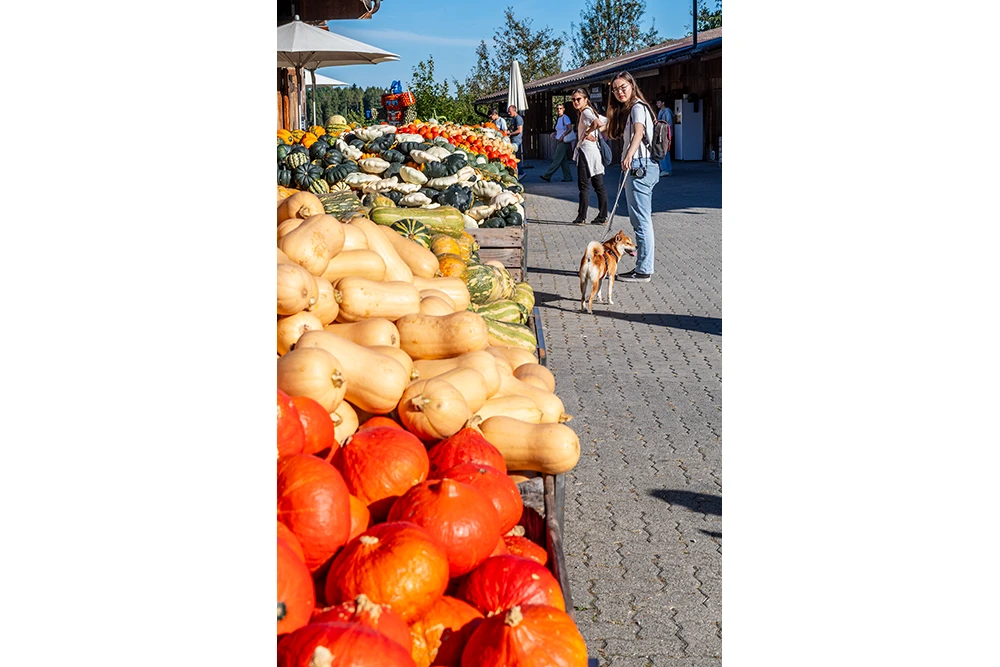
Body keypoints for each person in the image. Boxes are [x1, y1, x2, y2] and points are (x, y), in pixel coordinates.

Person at [606, 71, 660, 282]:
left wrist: (629, 154)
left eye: (623, 87)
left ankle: (644, 270)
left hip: (640, 166)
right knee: (640, 219)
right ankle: (642, 267)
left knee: (641, 221)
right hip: (642, 165)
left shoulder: (638, 107)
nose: (619, 92)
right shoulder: (637, 107)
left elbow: (639, 132)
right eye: (615, 89)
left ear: (631, 85)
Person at [569, 88, 608, 225]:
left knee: (584, 186)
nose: (575, 101)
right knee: (598, 185)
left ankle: (582, 217)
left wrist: (589, 132)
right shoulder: (589, 111)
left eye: (578, 99)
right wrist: (593, 133)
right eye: (573, 99)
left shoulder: (586, 111)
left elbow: (599, 123)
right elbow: (604, 122)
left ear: (586, 99)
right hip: (593, 153)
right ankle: (602, 216)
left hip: (586, 152)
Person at [540, 102, 575, 183]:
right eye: (557, 109)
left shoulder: (565, 118)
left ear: (563, 109)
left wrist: (562, 136)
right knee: (563, 160)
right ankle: (568, 177)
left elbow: (569, 128)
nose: (559, 110)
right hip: (559, 140)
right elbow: (559, 129)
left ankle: (547, 175)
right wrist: (554, 133)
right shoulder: (559, 119)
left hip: (563, 141)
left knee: (557, 158)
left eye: (560, 108)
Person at [655, 93, 674, 177]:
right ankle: (665, 168)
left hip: (665, 133)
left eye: (658, 102)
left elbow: (669, 123)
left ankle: (666, 169)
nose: (657, 104)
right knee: (662, 150)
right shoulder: (661, 112)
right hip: (660, 133)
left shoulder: (667, 112)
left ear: (663, 103)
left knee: (663, 150)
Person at [507, 104, 525, 178]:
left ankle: (521, 172)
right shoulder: (513, 119)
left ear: (514, 111)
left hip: (517, 140)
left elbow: (519, 130)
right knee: (514, 156)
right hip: (513, 139)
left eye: (509, 111)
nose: (508, 113)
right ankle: (518, 172)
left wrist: (511, 133)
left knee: (515, 157)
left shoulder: (518, 119)